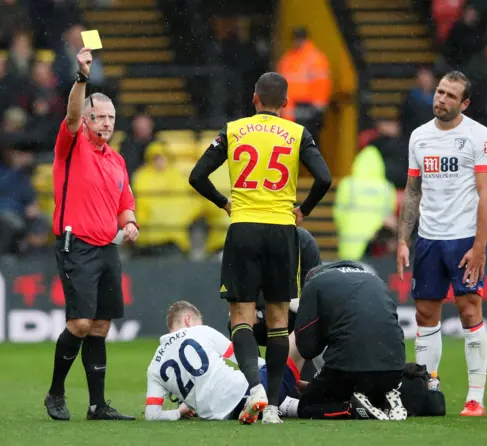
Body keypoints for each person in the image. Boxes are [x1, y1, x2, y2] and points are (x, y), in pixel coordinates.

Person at [189, 72, 332, 424]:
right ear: (285, 104)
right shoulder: (299, 134)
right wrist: (304, 210)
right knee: (280, 321)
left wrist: (224, 203)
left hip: (244, 228)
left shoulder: (234, 130)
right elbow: (325, 178)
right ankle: (271, 408)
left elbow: (196, 176)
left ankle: (255, 388)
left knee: (242, 317)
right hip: (282, 230)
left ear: (254, 98)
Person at [43, 47, 139, 421]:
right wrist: (83, 76)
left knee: (100, 326)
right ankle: (55, 393)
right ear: (85, 120)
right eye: (98, 116)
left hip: (107, 249)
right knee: (80, 323)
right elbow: (69, 114)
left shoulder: (116, 160)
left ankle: (98, 405)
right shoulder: (71, 144)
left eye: (111, 117)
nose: (106, 123)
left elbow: (124, 202)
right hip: (76, 245)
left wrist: (129, 222)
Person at [396, 71, 487, 417]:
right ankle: (428, 386)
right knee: (425, 314)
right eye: (440, 92)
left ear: (464, 103)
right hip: (427, 240)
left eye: (451, 96)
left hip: (464, 239)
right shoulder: (419, 137)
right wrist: (403, 240)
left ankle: (475, 397)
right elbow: (412, 192)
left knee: (470, 311)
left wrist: (480, 247)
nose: (441, 99)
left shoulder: (478, 137)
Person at [144, 301, 304, 421]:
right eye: (199, 319)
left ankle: (293, 405)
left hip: (222, 415)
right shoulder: (200, 331)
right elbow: (243, 358)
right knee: (302, 331)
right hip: (245, 390)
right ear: (188, 319)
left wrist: (178, 412)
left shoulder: (154, 368)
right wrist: (273, 372)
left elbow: (152, 415)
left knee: (285, 403)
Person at [293, 261, 407, 421]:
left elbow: (307, 348)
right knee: (366, 381)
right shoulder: (376, 280)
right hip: (394, 370)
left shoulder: (315, 282)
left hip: (349, 370)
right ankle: (383, 399)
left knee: (308, 406)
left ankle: (353, 408)